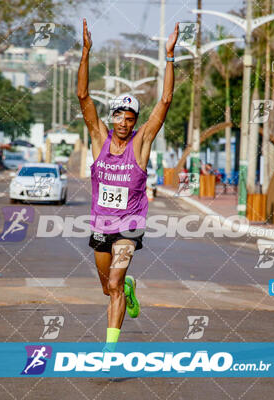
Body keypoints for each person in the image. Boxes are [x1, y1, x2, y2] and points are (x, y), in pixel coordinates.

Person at [77, 18, 178, 350]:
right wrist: (86, 51)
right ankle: (128, 287)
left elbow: (164, 103)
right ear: (112, 117)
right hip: (101, 224)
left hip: (129, 226)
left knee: (115, 285)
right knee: (108, 287)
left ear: (135, 122)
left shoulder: (141, 143)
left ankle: (109, 350)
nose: (123, 122)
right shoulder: (99, 138)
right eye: (118, 116)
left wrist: (169, 56)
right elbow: (83, 95)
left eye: (129, 118)